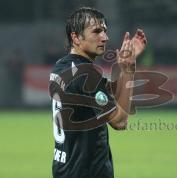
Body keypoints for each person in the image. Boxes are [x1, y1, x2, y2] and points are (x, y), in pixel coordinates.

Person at [49, 7, 147, 178]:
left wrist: (124, 67)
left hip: (64, 169)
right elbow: (120, 122)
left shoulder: (62, 66)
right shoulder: (86, 74)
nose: (105, 37)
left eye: (105, 31)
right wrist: (128, 70)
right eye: (96, 31)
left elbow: (110, 93)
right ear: (76, 37)